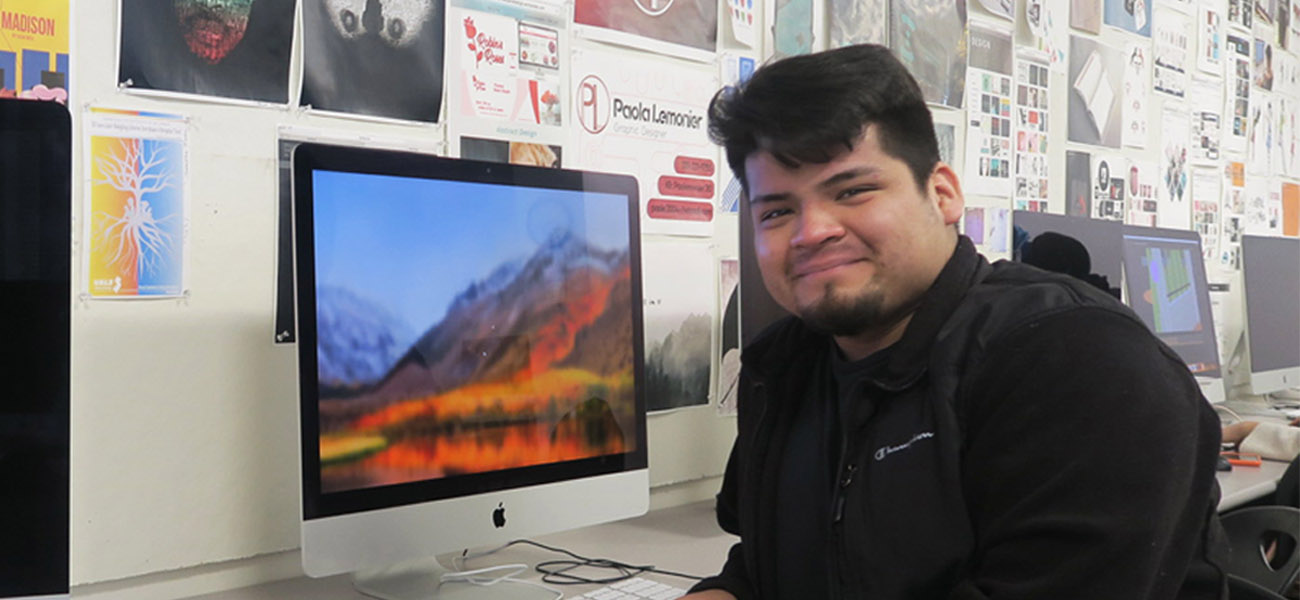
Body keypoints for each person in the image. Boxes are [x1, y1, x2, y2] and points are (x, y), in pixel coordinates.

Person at [683, 44, 1227, 600]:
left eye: (852, 191)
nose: (811, 231)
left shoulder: (1078, 359)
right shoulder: (783, 366)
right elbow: (770, 567)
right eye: (776, 211)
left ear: (942, 194)